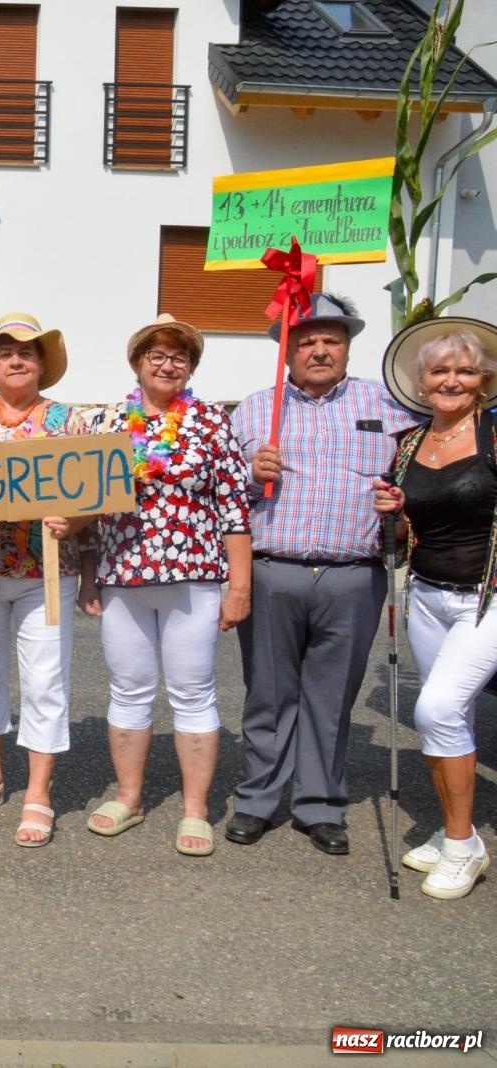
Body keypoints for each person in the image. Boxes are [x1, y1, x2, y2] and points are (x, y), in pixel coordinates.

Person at [228, 294, 414, 856]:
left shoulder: (389, 404)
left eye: (330, 339)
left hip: (353, 576)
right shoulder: (253, 410)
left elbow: (422, 473)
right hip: (272, 571)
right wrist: (249, 473)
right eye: (305, 340)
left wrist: (403, 507)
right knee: (268, 693)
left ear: (348, 347)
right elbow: (223, 495)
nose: (318, 350)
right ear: (286, 351)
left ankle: (320, 805)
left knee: (331, 699)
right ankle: (258, 799)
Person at [78, 314, 251, 857]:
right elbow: (85, 503)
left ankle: (195, 810)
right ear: (137, 362)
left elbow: (234, 505)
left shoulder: (210, 421)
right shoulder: (107, 420)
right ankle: (128, 797)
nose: (168, 364)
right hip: (122, 573)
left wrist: (239, 586)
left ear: (191, 368)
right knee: (128, 688)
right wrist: (88, 574)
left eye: (180, 357)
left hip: (193, 574)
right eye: (157, 355)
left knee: (192, 691)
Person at [0, 313, 92, 846]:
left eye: (27, 352)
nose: (16, 360)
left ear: (42, 364)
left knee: (45, 680)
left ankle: (38, 792)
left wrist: (73, 520)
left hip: (47, 572)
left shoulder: (70, 422)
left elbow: (94, 497)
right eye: (5, 352)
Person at [374, 316, 497, 900]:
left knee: (436, 709)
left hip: (486, 599)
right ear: (422, 382)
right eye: (440, 371)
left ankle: (461, 846)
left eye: (465, 371)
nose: (452, 380)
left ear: (484, 380)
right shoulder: (408, 444)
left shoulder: (494, 436)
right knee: (452, 716)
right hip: (425, 594)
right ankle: (456, 833)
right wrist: (394, 512)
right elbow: (403, 532)